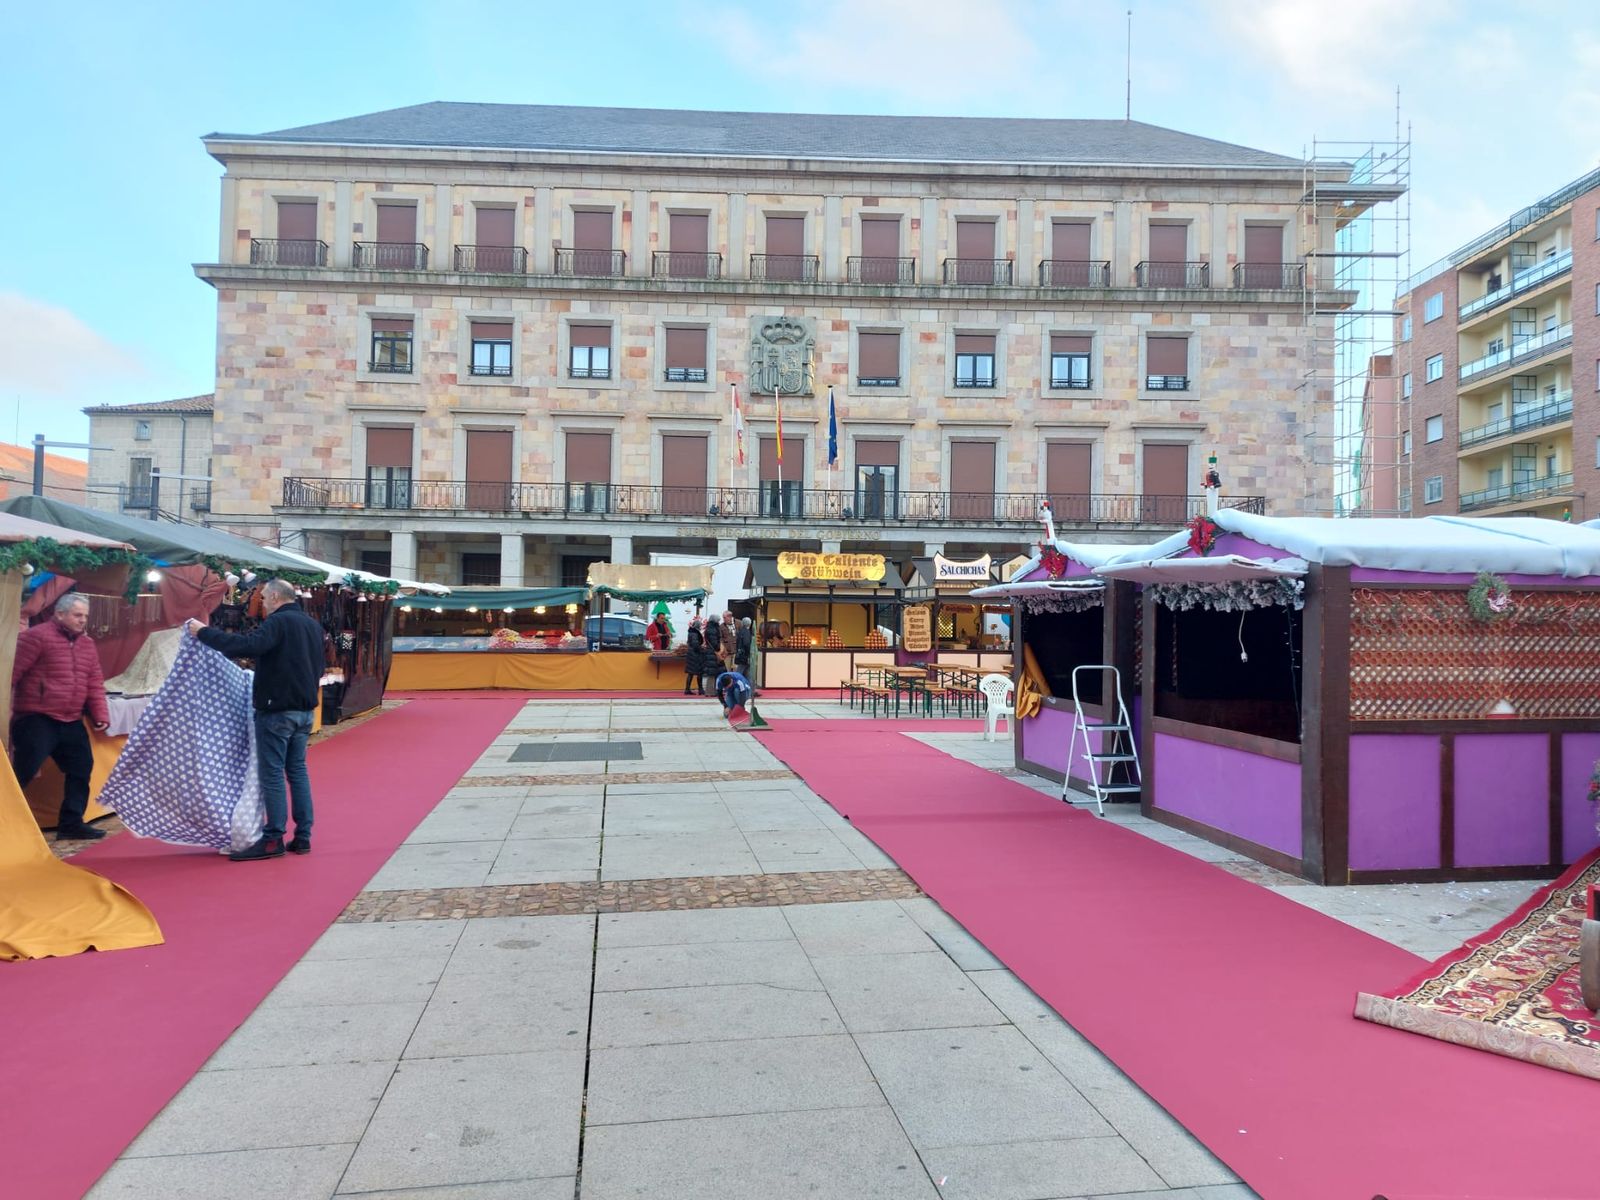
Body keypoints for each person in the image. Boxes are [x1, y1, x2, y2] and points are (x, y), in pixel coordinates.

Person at [185, 579, 325, 862]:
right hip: (304, 710)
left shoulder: (278, 623)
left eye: (262, 597)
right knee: (297, 771)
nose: (260, 602)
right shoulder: (312, 625)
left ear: (275, 596)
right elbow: (317, 665)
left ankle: (273, 838)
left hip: (277, 710)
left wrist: (204, 633)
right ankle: (303, 835)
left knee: (272, 774)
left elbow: (248, 646)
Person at [11, 593, 111, 841]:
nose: (82, 620)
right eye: (78, 615)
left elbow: (94, 682)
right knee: (22, 771)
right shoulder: (36, 637)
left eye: (85, 616)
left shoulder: (87, 644)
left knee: (81, 768)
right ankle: (6, 821)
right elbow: (11, 674)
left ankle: (71, 824)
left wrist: (100, 714)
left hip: (71, 719)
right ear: (60, 614)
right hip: (37, 717)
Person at [701, 614, 724, 696]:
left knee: (712, 672)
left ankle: (710, 691)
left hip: (710, 651)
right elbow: (714, 642)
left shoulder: (709, 628)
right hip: (713, 652)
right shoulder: (713, 629)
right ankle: (710, 691)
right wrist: (719, 649)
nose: (719, 621)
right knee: (712, 673)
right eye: (718, 620)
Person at [683, 617, 706, 695]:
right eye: (700, 625)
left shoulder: (691, 632)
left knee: (691, 673)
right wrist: (701, 648)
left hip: (691, 654)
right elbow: (695, 645)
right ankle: (700, 689)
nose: (700, 626)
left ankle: (687, 689)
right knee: (699, 673)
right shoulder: (695, 633)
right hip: (695, 655)